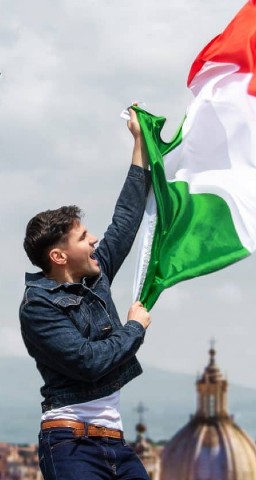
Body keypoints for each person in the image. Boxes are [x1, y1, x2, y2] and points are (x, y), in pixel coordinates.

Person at [19, 108, 153, 480]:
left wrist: (139, 143)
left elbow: (126, 220)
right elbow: (89, 361)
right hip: (69, 445)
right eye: (83, 237)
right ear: (58, 256)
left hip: (116, 443)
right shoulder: (38, 307)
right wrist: (134, 328)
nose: (94, 239)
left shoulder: (96, 275)